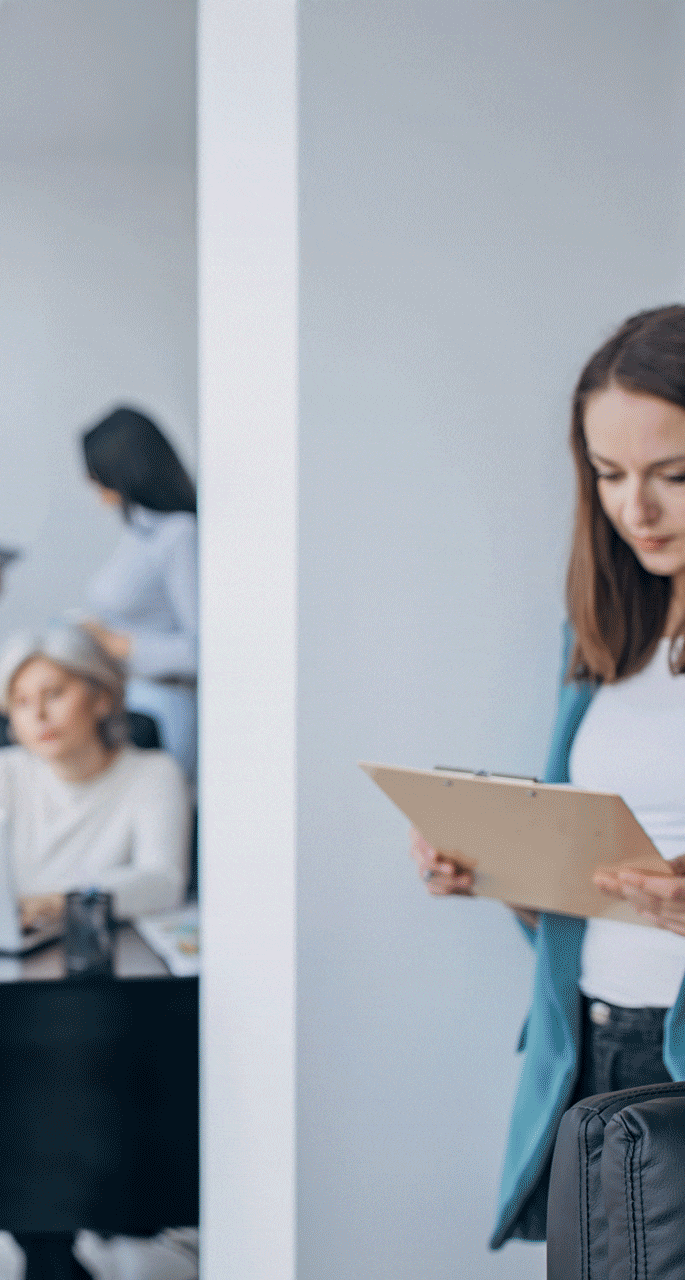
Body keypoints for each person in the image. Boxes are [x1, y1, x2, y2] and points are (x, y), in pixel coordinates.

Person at [409, 304, 685, 1248]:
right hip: (594, 1049)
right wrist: (499, 873)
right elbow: (583, 894)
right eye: (608, 475)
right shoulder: (603, 638)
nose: (635, 509)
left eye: (673, 475)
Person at [0, 625, 190, 934]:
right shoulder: (4, 772)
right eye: (21, 702)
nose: (38, 715)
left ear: (102, 698)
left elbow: (163, 881)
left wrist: (60, 902)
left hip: (104, 954)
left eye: (54, 694)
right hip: (10, 945)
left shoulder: (154, 774)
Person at [78, 406, 200, 779]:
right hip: (125, 700)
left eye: (99, 474)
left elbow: (204, 649)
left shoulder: (179, 534)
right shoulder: (138, 530)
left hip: (164, 707)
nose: (92, 484)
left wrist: (124, 647)